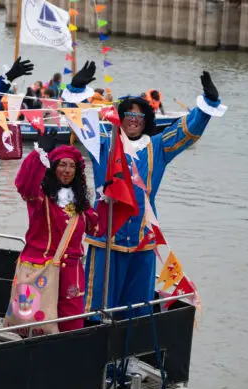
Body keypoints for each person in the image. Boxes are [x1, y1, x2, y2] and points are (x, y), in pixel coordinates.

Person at [84, 72, 226, 317]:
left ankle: (127, 354)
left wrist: (208, 104)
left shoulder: (157, 146)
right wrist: (77, 87)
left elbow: (186, 130)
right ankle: (93, 351)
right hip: (106, 238)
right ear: (121, 118)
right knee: (97, 307)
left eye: (139, 116)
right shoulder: (103, 142)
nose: (134, 120)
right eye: (129, 115)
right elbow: (78, 119)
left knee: (137, 308)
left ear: (146, 120)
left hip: (143, 241)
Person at [14, 130, 106, 332]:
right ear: (52, 168)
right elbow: (23, 184)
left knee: (71, 324)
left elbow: (98, 229)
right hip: (40, 268)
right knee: (35, 326)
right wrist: (39, 154)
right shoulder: (39, 197)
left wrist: (108, 200)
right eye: (62, 164)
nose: (67, 170)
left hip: (71, 273)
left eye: (72, 166)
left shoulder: (81, 203)